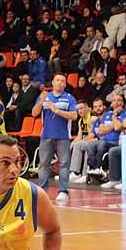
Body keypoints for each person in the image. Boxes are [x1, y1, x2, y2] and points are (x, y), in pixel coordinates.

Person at [32, 74, 78, 202]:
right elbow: (34, 113)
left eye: (62, 81)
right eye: (57, 80)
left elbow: (74, 116)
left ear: (65, 84)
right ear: (53, 82)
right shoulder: (45, 97)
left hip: (63, 136)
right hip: (46, 135)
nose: (59, 83)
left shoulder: (69, 98)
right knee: (43, 164)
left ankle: (63, 191)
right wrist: (41, 101)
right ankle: (42, 191)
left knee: (64, 164)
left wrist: (57, 111)